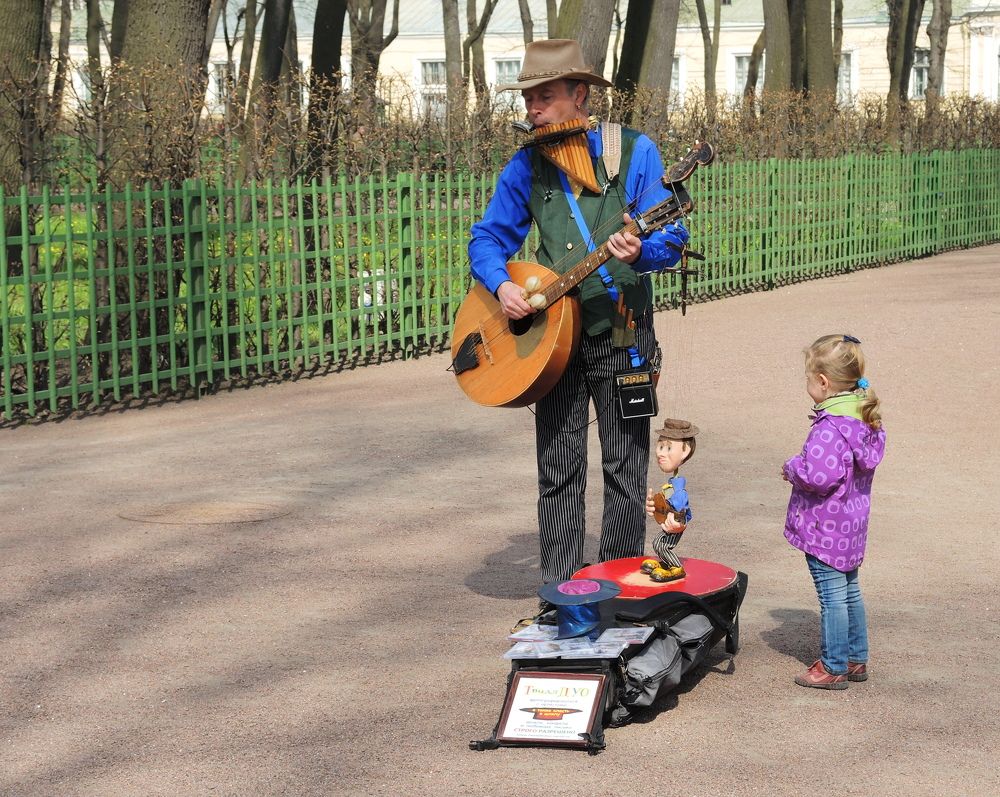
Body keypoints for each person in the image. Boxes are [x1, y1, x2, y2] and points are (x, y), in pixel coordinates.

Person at [468, 39, 689, 587]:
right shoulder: (527, 165)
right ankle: (561, 593)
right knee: (559, 470)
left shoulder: (636, 152)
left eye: (544, 96)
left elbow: (674, 240)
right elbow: (487, 239)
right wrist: (501, 286)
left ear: (580, 95)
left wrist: (643, 250)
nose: (533, 109)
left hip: (624, 336)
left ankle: (617, 591)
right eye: (528, 99)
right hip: (551, 342)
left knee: (625, 468)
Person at [782, 334, 886, 690]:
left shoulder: (830, 427)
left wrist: (793, 467)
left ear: (823, 382)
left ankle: (833, 664)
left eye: (809, 379)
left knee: (831, 597)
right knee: (850, 591)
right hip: (851, 523)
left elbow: (819, 475)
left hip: (825, 526)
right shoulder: (863, 416)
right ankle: (856, 658)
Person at [642, 418, 698, 582]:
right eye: (660, 447)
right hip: (669, 523)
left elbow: (680, 508)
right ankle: (666, 563)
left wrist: (677, 521)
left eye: (667, 448)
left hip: (675, 524)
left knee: (661, 545)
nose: (660, 453)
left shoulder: (679, 489)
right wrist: (654, 506)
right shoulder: (671, 484)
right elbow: (664, 507)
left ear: (685, 451)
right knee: (658, 542)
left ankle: (676, 568)